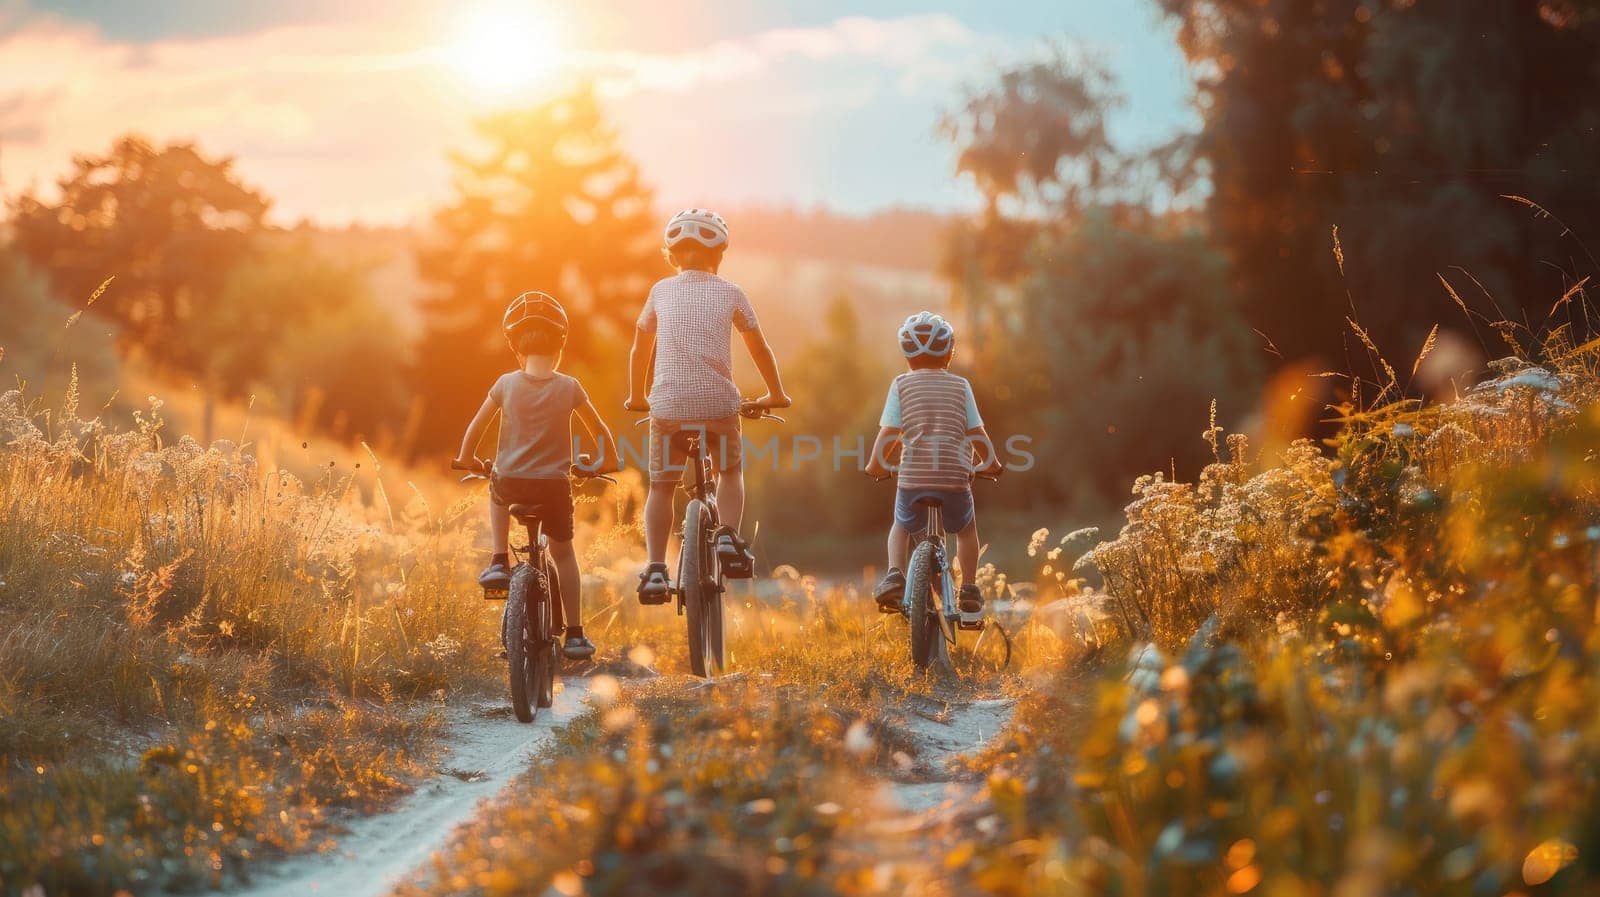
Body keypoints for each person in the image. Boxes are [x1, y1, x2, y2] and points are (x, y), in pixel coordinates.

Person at [624, 208, 791, 602]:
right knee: (730, 471)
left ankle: (655, 568)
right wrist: (776, 393)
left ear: (672, 255)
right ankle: (729, 537)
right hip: (719, 406)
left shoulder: (660, 292)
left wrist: (636, 395)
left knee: (662, 488)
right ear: (719, 255)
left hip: (666, 407)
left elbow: (639, 346)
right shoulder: (732, 292)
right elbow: (759, 347)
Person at [453, 291, 620, 659]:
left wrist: (466, 458)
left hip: (511, 481)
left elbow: (476, 427)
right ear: (559, 348)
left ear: (516, 349)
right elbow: (602, 433)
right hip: (554, 487)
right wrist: (605, 461)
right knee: (563, 555)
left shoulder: (505, 384)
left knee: (496, 485)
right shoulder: (570, 387)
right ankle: (575, 633)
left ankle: (499, 559)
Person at [865, 311, 1003, 615]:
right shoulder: (960, 386)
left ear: (906, 355)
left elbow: (888, 434)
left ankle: (894, 576)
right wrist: (990, 462)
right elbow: (976, 433)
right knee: (966, 530)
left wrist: (876, 464)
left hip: (912, 477)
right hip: (955, 477)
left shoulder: (900, 385)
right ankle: (968, 588)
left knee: (901, 525)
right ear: (950, 352)